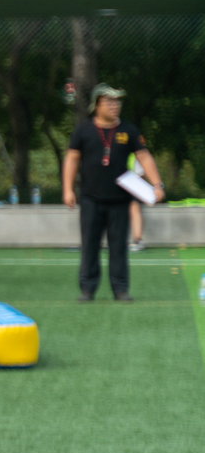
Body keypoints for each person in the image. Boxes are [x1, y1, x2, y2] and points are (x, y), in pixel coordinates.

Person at [63, 84, 164, 302]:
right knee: (89, 245)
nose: (114, 105)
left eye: (117, 102)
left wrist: (157, 184)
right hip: (90, 198)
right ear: (96, 105)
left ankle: (120, 289)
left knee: (118, 246)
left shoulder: (129, 130)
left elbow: (144, 157)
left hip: (120, 200)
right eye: (109, 102)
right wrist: (67, 189)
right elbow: (72, 158)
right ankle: (87, 289)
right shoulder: (83, 130)